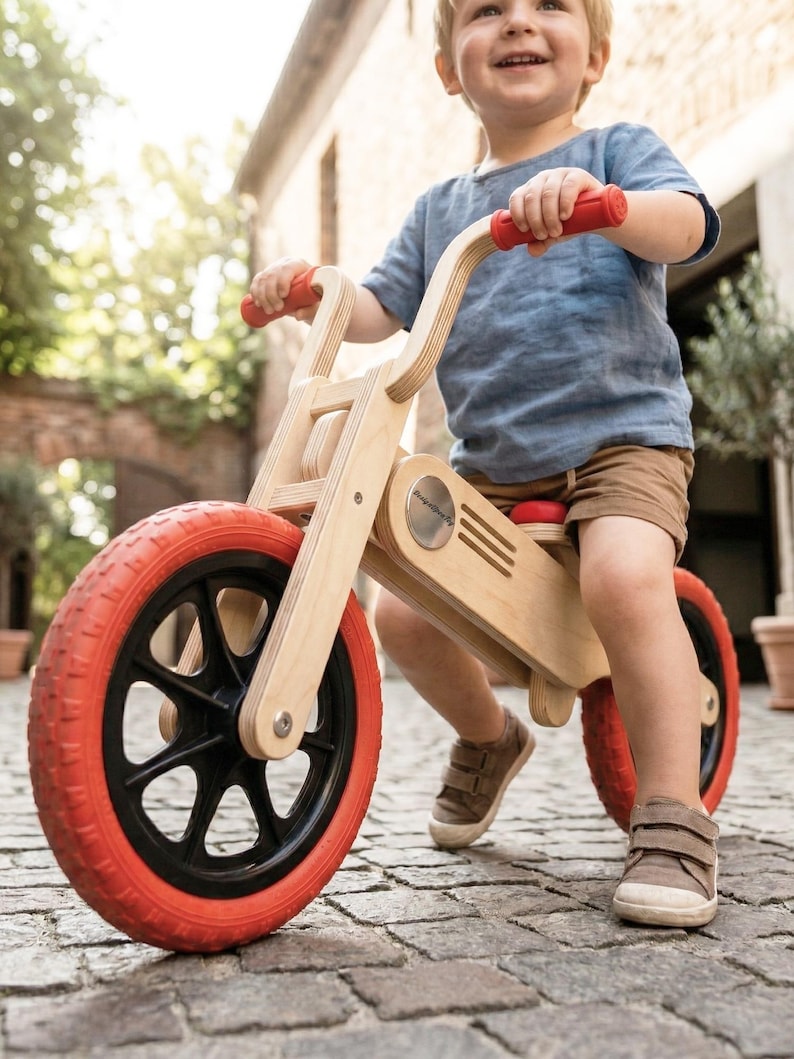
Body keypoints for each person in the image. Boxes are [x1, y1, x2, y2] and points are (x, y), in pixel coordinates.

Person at [248, 0, 721, 928]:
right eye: (485, 12)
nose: (518, 25)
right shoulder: (440, 210)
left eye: (550, 7)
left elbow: (689, 224)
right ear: (446, 68)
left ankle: (673, 815)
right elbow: (381, 309)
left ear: (596, 56)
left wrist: (609, 208)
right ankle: (489, 736)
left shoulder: (617, 147)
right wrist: (314, 290)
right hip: (494, 467)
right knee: (404, 617)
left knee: (625, 578)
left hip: (621, 440)